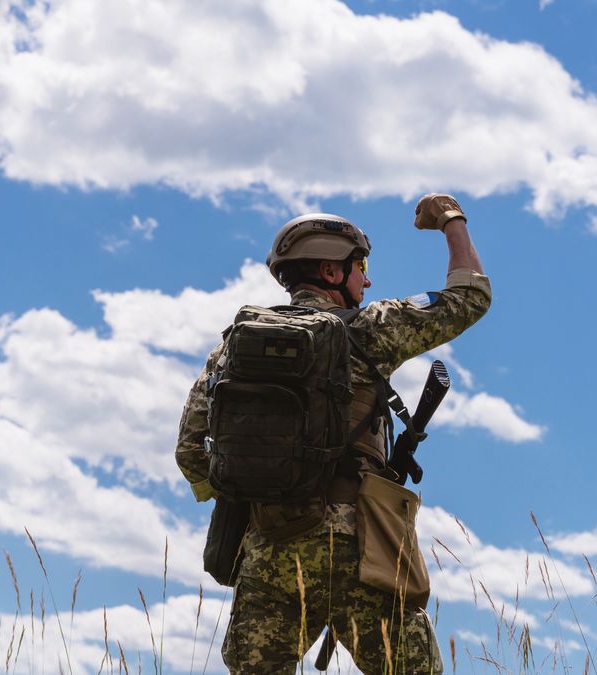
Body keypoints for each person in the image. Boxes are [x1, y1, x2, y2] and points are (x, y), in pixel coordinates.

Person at [175, 194, 492, 673]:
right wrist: (451, 219)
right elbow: (470, 296)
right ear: (330, 271)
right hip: (358, 544)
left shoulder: (232, 348)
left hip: (269, 545)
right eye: (360, 266)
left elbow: (189, 450)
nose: (367, 278)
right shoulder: (369, 328)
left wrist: (255, 494)